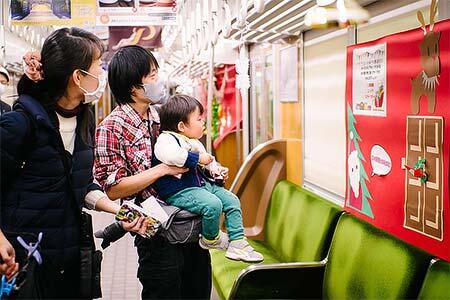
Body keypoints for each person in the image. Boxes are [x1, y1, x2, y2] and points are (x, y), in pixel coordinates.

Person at [0, 27, 127, 298]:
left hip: (68, 257)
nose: (102, 73)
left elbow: (79, 182)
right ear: (78, 76)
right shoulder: (19, 124)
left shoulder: (85, 119)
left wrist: (118, 211)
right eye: (98, 65)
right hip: (25, 258)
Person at [94, 45, 211, 299]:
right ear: (135, 87)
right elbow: (114, 190)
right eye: (153, 75)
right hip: (154, 231)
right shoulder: (111, 128)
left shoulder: (161, 117)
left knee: (198, 289)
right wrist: (161, 170)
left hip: (190, 223)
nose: (159, 81)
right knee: (164, 290)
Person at [153, 94, 264, 263]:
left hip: (201, 186)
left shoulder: (194, 142)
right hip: (180, 190)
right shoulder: (166, 140)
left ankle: (237, 241)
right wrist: (198, 159)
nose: (203, 122)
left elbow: (208, 162)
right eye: (198, 119)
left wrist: (216, 171)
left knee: (232, 200)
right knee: (213, 205)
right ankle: (210, 238)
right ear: (182, 126)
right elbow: (172, 156)